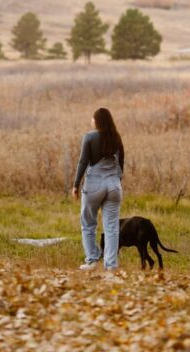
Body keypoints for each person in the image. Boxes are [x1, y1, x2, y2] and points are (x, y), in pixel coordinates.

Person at [72, 107, 124, 271]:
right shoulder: (116, 137)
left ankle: (92, 260)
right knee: (112, 227)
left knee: (88, 223)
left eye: (93, 118)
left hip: (94, 183)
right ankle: (111, 266)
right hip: (114, 185)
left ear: (97, 121)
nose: (91, 121)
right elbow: (121, 164)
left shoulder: (89, 137)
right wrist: (116, 181)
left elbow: (82, 162)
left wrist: (75, 184)